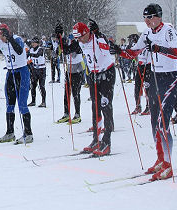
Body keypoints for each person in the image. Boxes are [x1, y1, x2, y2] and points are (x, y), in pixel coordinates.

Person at [113, 4, 177, 181]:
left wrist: (159, 49)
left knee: (162, 122)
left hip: (170, 76)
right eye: (145, 18)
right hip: (156, 76)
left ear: (158, 16)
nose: (147, 21)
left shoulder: (168, 31)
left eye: (150, 17)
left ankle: (168, 164)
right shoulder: (147, 33)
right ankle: (161, 158)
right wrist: (120, 51)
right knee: (154, 120)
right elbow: (135, 51)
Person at [58, 20, 116, 157]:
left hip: (106, 73)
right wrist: (60, 36)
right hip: (93, 75)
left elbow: (108, 47)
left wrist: (98, 33)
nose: (79, 41)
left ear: (87, 33)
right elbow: (66, 50)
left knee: (105, 106)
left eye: (80, 37)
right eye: (76, 38)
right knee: (95, 107)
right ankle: (96, 140)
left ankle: (107, 142)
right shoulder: (80, 42)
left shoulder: (98, 38)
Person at [0, 23, 33, 144]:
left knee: (22, 104)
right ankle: (10, 132)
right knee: (9, 104)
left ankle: (28, 133)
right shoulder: (0, 42)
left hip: (22, 73)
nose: (1, 39)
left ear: (7, 33)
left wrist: (10, 38)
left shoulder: (17, 39)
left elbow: (19, 50)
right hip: (10, 73)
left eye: (2, 36)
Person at [56, 33, 84, 124]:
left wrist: (62, 44)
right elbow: (60, 52)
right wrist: (60, 40)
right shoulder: (67, 44)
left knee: (76, 93)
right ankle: (66, 114)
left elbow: (68, 50)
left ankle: (77, 114)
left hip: (78, 71)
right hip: (69, 71)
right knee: (67, 93)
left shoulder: (77, 44)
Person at [27, 36, 47, 107]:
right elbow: (27, 56)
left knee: (42, 86)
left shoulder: (40, 49)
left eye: (34, 43)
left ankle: (43, 102)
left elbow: (37, 55)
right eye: (32, 43)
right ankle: (33, 101)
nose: (33, 44)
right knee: (33, 86)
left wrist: (30, 54)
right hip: (34, 69)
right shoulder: (31, 49)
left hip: (41, 69)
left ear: (38, 43)